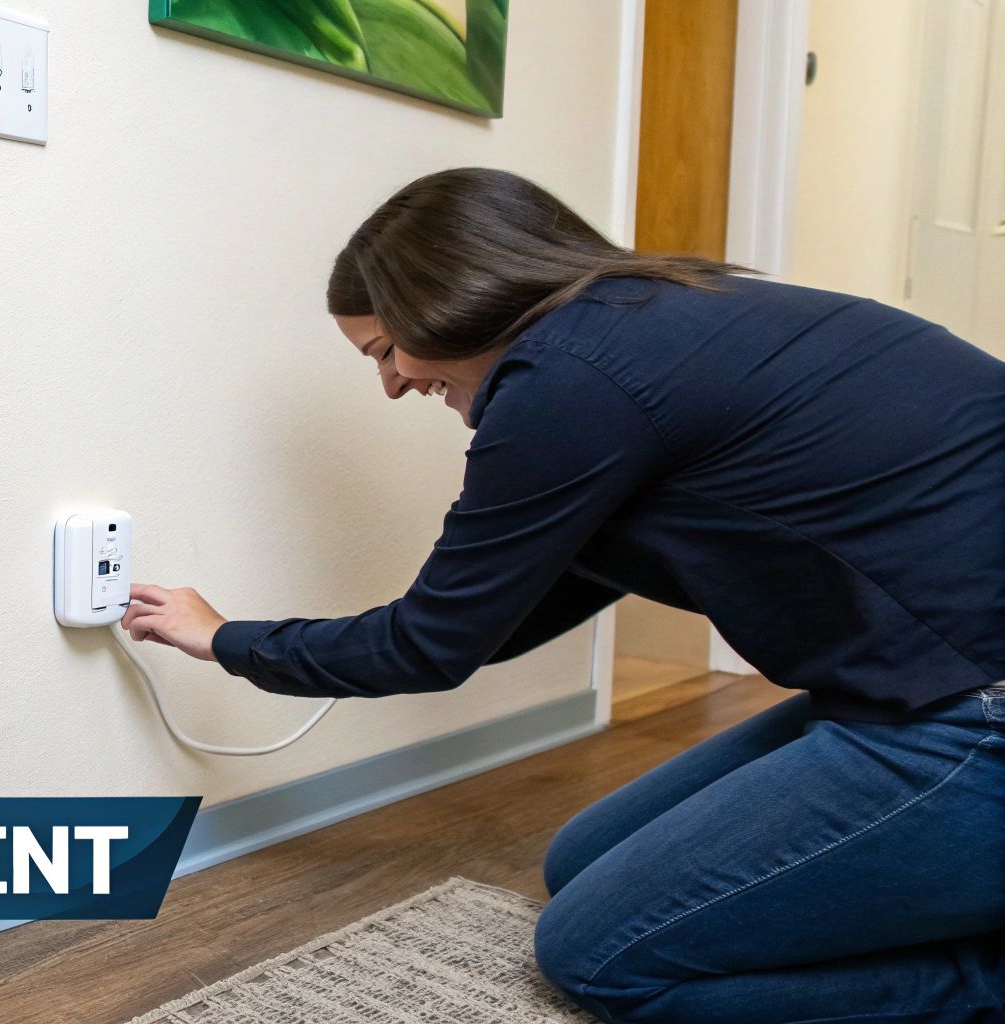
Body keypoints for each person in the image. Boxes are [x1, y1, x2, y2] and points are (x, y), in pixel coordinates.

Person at [121, 168, 1005, 1022]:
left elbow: (429, 645)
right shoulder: (661, 318)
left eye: (386, 350)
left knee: (599, 955)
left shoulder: (568, 379)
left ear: (453, 301)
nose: (390, 384)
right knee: (582, 863)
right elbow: (494, 620)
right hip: (919, 690)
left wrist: (225, 638)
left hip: (972, 715)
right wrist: (422, 632)